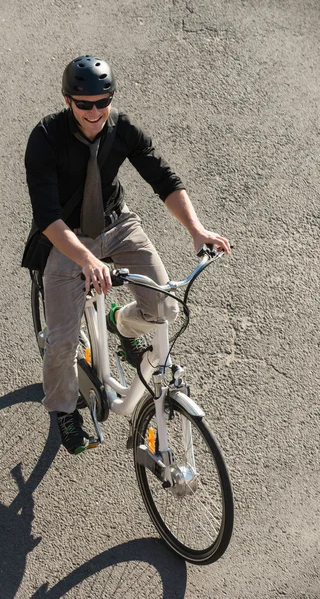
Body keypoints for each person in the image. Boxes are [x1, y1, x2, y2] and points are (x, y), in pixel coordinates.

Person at [25, 55, 230, 455]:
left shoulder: (122, 127)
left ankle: (121, 322)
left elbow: (163, 178)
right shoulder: (45, 138)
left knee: (165, 308)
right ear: (68, 100)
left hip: (116, 224)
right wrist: (86, 259)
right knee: (63, 343)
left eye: (103, 101)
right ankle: (64, 409)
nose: (95, 111)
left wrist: (196, 229)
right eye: (84, 103)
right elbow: (48, 218)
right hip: (65, 239)